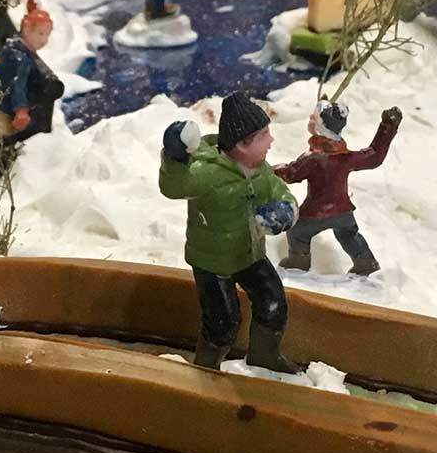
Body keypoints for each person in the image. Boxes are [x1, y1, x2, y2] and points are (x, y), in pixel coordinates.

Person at [159, 92, 300, 373]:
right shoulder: (206, 173)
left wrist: (285, 210)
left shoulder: (259, 171)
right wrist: (175, 158)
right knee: (223, 321)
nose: (271, 141)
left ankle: (264, 355)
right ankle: (206, 368)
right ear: (242, 144)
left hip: (249, 254)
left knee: (273, 302)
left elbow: (279, 191)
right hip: (213, 262)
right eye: (263, 135)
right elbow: (174, 187)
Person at [276, 102, 402, 275]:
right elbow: (374, 156)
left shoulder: (313, 158)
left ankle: (299, 261)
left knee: (297, 232)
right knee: (348, 235)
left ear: (320, 126)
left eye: (313, 118)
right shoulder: (345, 157)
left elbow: (291, 173)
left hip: (316, 213)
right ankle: (366, 261)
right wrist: (388, 126)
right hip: (343, 212)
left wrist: (269, 170)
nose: (310, 119)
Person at [0, 0, 64, 149]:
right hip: (2, 107)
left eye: (47, 35)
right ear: (27, 31)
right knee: (1, 142)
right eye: (41, 33)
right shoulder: (19, 58)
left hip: (3, 100)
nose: (45, 40)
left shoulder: (18, 46)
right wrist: (21, 110)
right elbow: (17, 83)